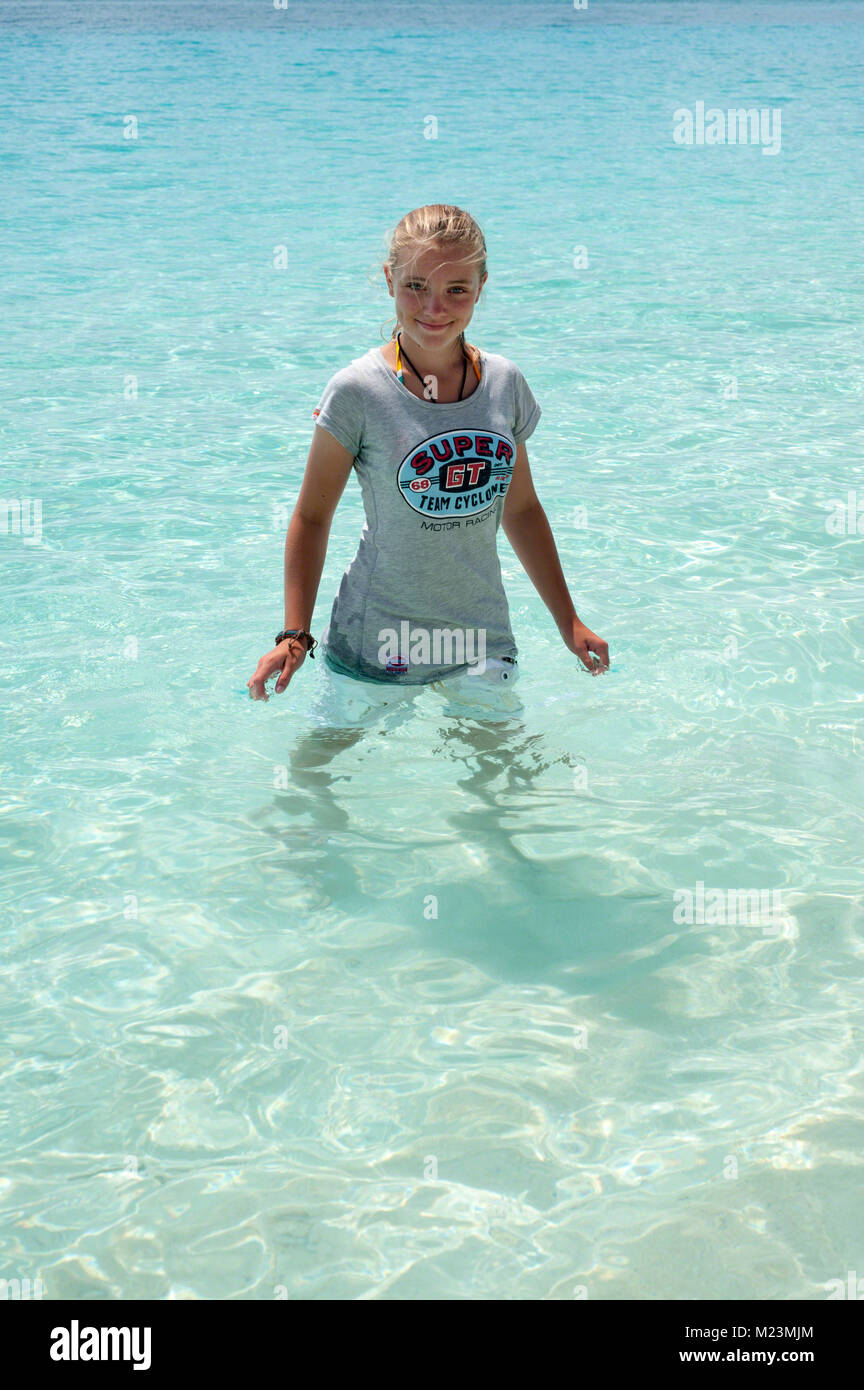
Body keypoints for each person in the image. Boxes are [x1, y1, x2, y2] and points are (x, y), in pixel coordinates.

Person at [247, 204, 609, 727]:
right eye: (416, 285)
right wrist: (293, 634)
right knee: (324, 785)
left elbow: (523, 509)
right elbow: (311, 517)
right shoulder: (357, 391)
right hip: (378, 637)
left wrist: (567, 621)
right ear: (390, 279)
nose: (434, 308)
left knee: (502, 789)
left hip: (481, 636)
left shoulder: (504, 384)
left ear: (481, 286)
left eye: (456, 289)